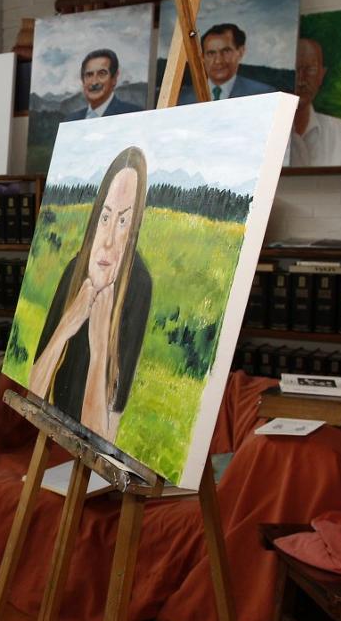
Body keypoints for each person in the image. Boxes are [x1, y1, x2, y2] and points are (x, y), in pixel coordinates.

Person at [28, 147, 152, 442]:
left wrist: (99, 352)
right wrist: (66, 327)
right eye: (106, 217)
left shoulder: (138, 285)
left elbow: (102, 438)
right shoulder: (75, 269)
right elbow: (32, 393)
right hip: (55, 443)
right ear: (96, 217)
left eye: (123, 222)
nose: (108, 240)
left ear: (135, 228)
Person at [286, 37, 341, 166]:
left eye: (310, 70)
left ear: (321, 75)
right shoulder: (262, 136)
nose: (301, 80)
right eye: (295, 70)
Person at [179, 23, 276, 104]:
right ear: (203, 57)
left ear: (240, 52)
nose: (218, 61)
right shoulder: (182, 99)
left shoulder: (263, 95)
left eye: (226, 51)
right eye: (211, 53)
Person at [62, 48, 142, 122]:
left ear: (114, 78)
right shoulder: (71, 120)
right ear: (83, 81)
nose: (94, 82)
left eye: (101, 74)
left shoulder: (134, 116)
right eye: (89, 75)